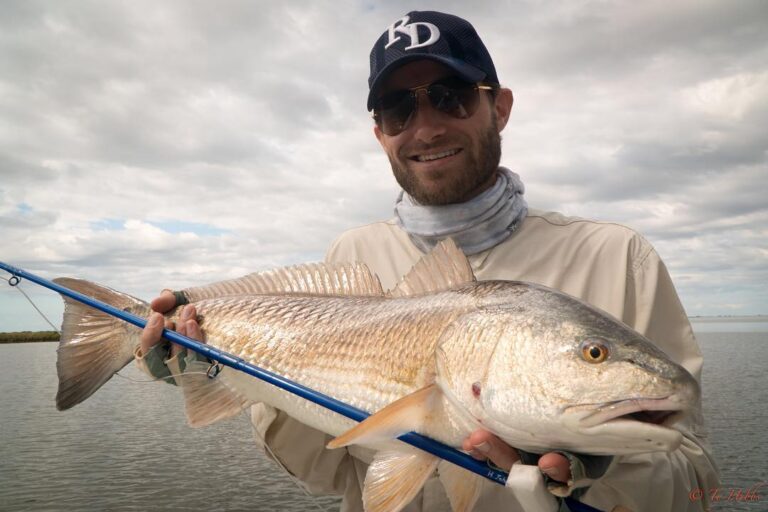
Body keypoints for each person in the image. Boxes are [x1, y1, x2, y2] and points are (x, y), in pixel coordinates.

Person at [139, 10, 719, 512]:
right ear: (379, 134)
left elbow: (693, 480)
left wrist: (597, 470)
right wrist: (231, 376)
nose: (427, 126)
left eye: (452, 95)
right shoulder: (351, 256)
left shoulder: (620, 257)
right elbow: (332, 473)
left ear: (501, 106)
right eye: (398, 109)